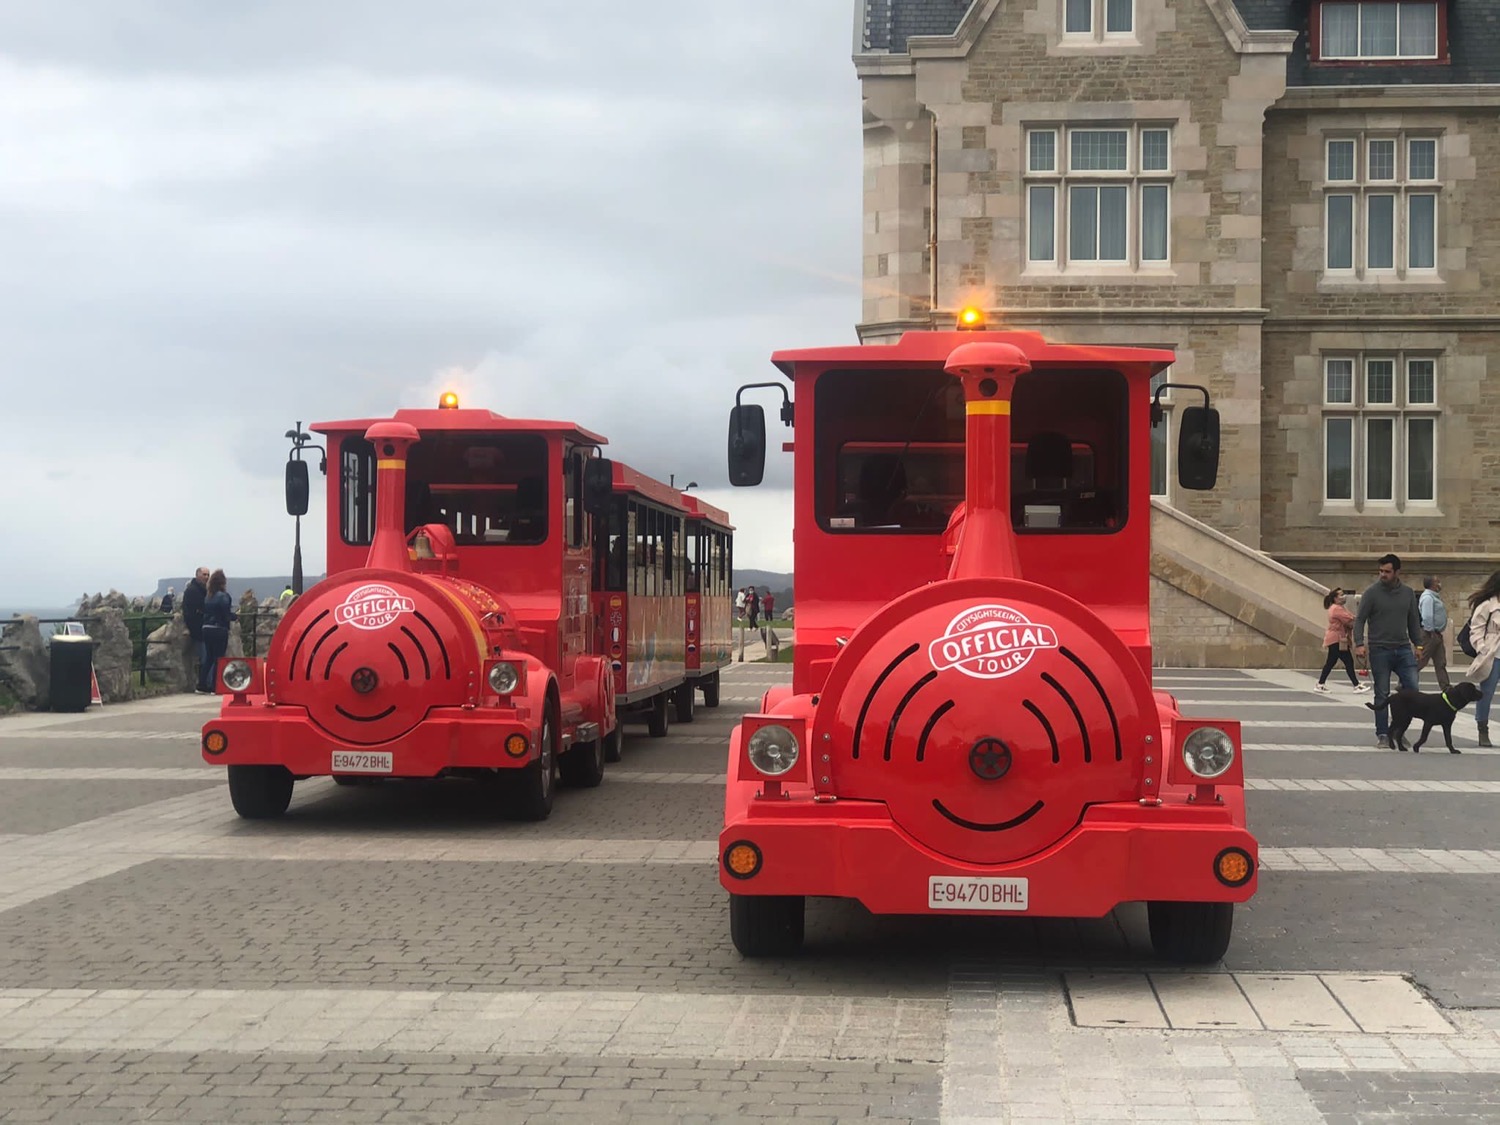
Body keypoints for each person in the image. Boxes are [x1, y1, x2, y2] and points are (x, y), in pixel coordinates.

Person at [1353, 553, 1423, 749]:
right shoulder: (1371, 593)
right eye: (1381, 571)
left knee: (1412, 690)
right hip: (1379, 650)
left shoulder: (1408, 593)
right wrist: (1359, 643)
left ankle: (1399, 730)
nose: (1383, 574)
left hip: (1403, 649)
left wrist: (1418, 645)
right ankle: (1383, 733)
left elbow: (1413, 621)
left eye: (1387, 571)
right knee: (1382, 694)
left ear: (1397, 572)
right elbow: (1360, 619)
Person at [1461, 571, 1500, 748]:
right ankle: (1482, 729)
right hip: (1492, 654)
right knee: (1486, 693)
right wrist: (1482, 649)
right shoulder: (1486, 605)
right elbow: (1476, 629)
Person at [1315, 587, 1368, 694]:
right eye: (1341, 595)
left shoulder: (1336, 607)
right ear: (1335, 598)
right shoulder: (1337, 609)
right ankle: (1356, 685)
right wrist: (1360, 616)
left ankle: (1320, 684)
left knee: (1331, 662)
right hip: (1337, 639)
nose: (1343, 596)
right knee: (1348, 661)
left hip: (1335, 639)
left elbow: (1349, 618)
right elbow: (1349, 618)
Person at [198, 569, 237, 694]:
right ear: (222, 582)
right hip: (219, 629)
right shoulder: (224, 596)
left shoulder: (208, 596)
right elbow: (225, 615)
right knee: (219, 658)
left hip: (206, 628)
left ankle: (201, 685)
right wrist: (234, 617)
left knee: (209, 658)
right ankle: (215, 686)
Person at [1416, 576, 1451, 691]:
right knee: (1421, 660)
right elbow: (1427, 616)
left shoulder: (1434, 597)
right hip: (1429, 634)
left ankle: (1446, 686)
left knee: (1440, 662)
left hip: (1436, 634)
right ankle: (1404, 682)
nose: (1439, 583)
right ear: (1432, 584)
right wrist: (1430, 631)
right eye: (1437, 581)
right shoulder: (1428, 598)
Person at [182, 567, 209, 692]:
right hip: (198, 629)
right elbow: (195, 610)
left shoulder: (201, 590)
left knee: (206, 657)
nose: (206, 577)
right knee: (205, 657)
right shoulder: (193, 591)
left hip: (202, 628)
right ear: (197, 575)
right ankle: (204, 684)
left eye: (208, 574)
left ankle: (205, 683)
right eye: (204, 574)